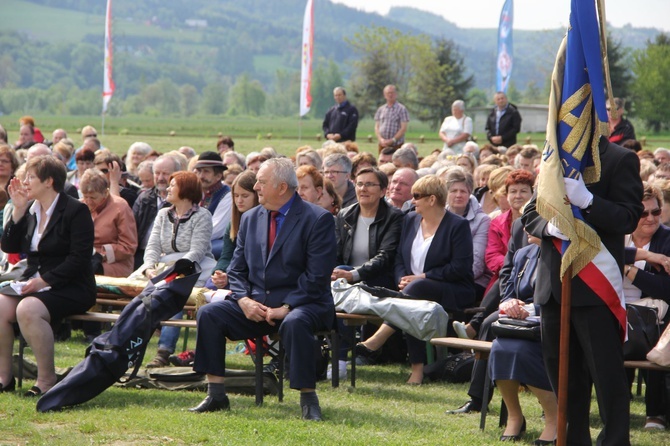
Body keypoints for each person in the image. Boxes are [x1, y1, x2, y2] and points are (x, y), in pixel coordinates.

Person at [189, 158, 337, 421]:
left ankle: (308, 400)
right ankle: (216, 394)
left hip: (304, 304)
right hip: (256, 304)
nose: (255, 185)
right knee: (209, 314)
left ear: (282, 187)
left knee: (294, 322)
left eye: (261, 181)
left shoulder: (318, 219)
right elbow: (236, 270)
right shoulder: (249, 219)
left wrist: (286, 307)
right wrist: (244, 300)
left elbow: (316, 277)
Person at [522, 136, 644, 445]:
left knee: (607, 380)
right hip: (554, 286)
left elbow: (628, 218)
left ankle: (614, 441)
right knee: (564, 382)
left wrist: (589, 202)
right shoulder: (553, 158)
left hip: (596, 289)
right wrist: (548, 229)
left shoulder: (619, 158)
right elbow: (530, 212)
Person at [356, 175, 475, 384]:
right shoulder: (410, 219)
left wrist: (423, 277)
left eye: (417, 196)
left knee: (414, 292)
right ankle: (417, 369)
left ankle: (379, 338)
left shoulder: (457, 225)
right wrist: (403, 278)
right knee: (413, 303)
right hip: (412, 291)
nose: (412, 201)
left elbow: (460, 267)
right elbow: (400, 257)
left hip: (453, 289)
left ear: (432, 199)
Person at [0, 155, 96, 396]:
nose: (24, 182)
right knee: (0, 306)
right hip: (34, 281)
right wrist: (18, 211)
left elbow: (80, 258)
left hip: (72, 286)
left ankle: (46, 380)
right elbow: (9, 246)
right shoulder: (30, 209)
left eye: (30, 177)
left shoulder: (76, 210)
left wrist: (44, 281)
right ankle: (4, 376)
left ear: (48, 181)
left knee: (28, 309)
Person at [134, 171, 216, 368]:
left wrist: (173, 273)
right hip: (164, 266)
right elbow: (152, 246)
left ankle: (163, 351)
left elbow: (197, 251)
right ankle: (132, 346)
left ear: (186, 190)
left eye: (173, 185)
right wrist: (149, 268)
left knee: (173, 291)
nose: (168, 189)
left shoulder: (203, 216)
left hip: (195, 267)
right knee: (143, 295)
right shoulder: (163, 214)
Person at [489, 235, 558, 444]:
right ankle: (515, 416)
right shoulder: (523, 254)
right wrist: (510, 304)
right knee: (500, 349)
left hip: (553, 325)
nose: (527, 226)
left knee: (520, 352)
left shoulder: (565, 253)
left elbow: (561, 298)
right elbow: (507, 293)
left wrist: (529, 309)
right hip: (521, 326)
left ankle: (555, 420)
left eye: (533, 220)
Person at [623, 182, 670, 430]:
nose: (651, 218)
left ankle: (655, 412)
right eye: (643, 213)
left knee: (654, 325)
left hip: (653, 317)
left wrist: (629, 270)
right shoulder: (617, 235)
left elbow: (665, 289)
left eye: (655, 212)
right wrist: (646, 257)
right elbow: (600, 253)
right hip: (615, 310)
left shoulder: (667, 240)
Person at [79, 169, 138, 278]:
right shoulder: (79, 206)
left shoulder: (120, 207)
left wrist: (102, 255)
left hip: (114, 263)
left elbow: (128, 246)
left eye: (93, 197)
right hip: (84, 258)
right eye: (85, 196)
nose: (88, 201)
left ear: (105, 193)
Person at [444, 169, 491, 300]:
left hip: (472, 281)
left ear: (470, 193)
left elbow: (476, 264)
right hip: (442, 277)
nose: (458, 195)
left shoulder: (482, 220)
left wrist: (441, 276)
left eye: (463, 191)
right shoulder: (440, 216)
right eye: (453, 191)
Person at [209, 171, 259, 292]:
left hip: (251, 279)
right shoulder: (233, 224)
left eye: (245, 196)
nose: (239, 200)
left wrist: (229, 276)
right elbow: (226, 256)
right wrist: (219, 271)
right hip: (233, 273)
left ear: (257, 195)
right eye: (236, 196)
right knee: (209, 286)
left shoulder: (262, 222)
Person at [485, 170, 534, 293]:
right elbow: (492, 255)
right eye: (513, 191)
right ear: (507, 195)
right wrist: (512, 266)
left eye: (523, 191)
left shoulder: (538, 221)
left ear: (532, 194)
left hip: (531, 276)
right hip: (503, 274)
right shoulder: (497, 223)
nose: (518, 196)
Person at [132, 155, 181, 269]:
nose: (160, 178)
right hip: (140, 254)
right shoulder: (144, 198)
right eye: (157, 173)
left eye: (165, 173)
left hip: (170, 257)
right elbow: (132, 228)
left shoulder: (183, 201)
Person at [194, 152, 232, 259]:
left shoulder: (227, 195)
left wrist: (189, 241)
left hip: (213, 243)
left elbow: (217, 229)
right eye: (199, 171)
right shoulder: (194, 192)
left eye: (206, 171)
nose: (201, 176)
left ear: (218, 176)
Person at [375, 85, 410, 153]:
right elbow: (376, 127)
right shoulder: (381, 109)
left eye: (392, 93)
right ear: (384, 95)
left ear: (396, 94)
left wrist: (392, 140)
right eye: (388, 93)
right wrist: (381, 139)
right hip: (382, 145)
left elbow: (403, 128)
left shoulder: (402, 109)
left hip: (396, 145)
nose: (390, 95)